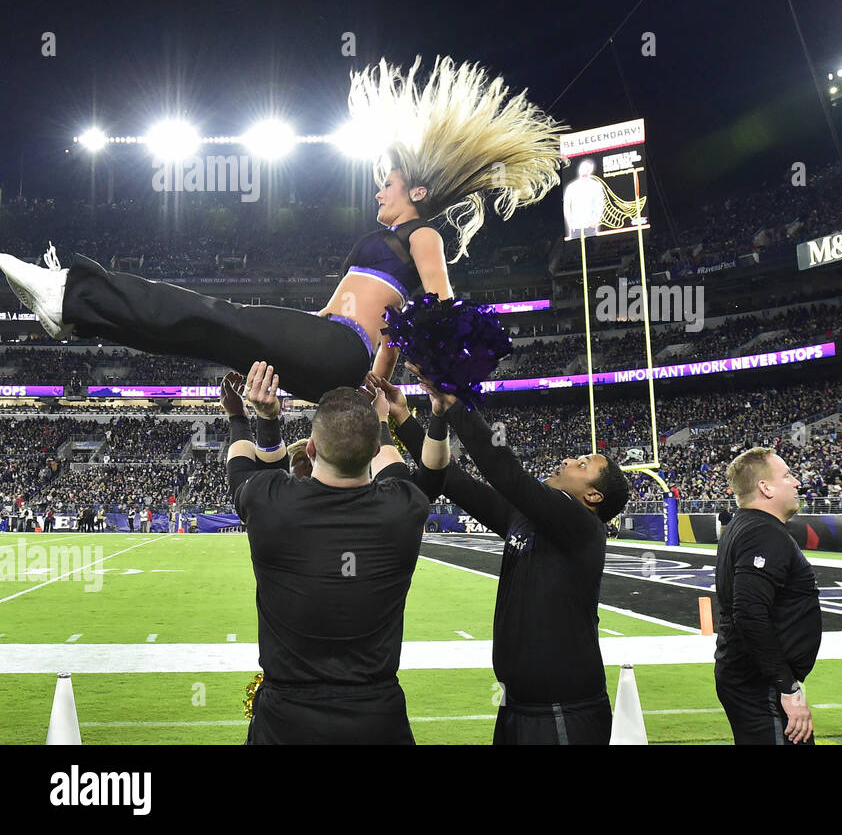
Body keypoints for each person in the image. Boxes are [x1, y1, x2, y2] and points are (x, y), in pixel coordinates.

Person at [0, 56, 564, 403]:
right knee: (205, 336)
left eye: (386, 185)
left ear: (416, 194)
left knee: (217, 315)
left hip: (342, 351)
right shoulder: (390, 247)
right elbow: (393, 323)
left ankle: (71, 290)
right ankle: (75, 313)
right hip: (331, 352)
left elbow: (439, 309)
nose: (377, 191)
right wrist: (374, 377)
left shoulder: (424, 235)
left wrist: (404, 371)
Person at [374, 373, 629, 745]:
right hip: (518, 707)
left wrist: (456, 402)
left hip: (562, 710)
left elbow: (505, 471)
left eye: (583, 464)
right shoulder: (528, 519)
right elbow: (455, 482)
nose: (569, 460)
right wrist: (403, 417)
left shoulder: (581, 525)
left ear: (593, 497)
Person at [224, 361, 446, 744]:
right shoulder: (403, 507)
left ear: (310, 448)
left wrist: (252, 417)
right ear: (376, 448)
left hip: (286, 722)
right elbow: (405, 468)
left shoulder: (271, 502)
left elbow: (242, 467)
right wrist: (381, 419)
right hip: (377, 718)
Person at [714, 447, 822, 745]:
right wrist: (786, 686)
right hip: (761, 685)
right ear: (765, 487)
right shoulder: (761, 532)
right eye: (787, 475)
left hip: (755, 680)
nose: (797, 482)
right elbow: (749, 612)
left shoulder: (744, 525)